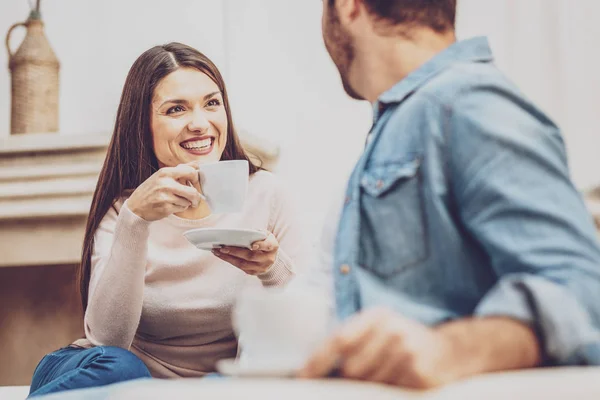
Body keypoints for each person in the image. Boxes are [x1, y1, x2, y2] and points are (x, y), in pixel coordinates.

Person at [298, 0, 600, 389]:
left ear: (348, 7)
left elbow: (583, 288)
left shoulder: (465, 102)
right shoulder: (407, 118)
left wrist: (451, 349)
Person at [28, 42, 304, 398]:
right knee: (121, 367)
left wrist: (271, 268)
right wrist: (135, 221)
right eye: (176, 109)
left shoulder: (268, 196)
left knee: (231, 387)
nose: (200, 124)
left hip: (214, 389)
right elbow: (107, 342)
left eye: (212, 103)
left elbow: (308, 329)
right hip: (112, 379)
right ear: (142, 125)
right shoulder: (124, 210)